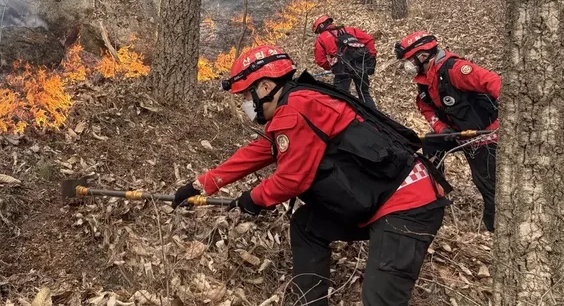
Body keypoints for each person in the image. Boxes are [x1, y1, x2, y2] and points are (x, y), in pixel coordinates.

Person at [172, 45, 450, 306]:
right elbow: (258, 152)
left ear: (266, 87)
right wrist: (201, 184)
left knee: (380, 299)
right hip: (379, 199)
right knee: (307, 225)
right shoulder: (297, 102)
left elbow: (293, 179)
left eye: (246, 95)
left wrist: (253, 199)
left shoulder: (296, 108)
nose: (245, 103)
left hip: (409, 204)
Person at [394, 31, 500, 232]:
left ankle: (496, 228)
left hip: (484, 135)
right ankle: (434, 194)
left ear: (422, 55)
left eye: (409, 59)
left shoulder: (456, 70)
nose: (407, 65)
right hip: (458, 133)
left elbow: (495, 83)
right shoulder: (425, 80)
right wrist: (442, 129)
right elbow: (425, 108)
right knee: (432, 143)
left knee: (487, 183)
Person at [312, 15, 377, 107]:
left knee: (340, 97)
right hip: (359, 64)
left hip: (342, 69)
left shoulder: (321, 38)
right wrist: (371, 57)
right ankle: (374, 118)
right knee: (364, 94)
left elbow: (320, 60)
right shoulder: (349, 30)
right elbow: (369, 39)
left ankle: (347, 118)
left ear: (320, 27)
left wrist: (331, 66)